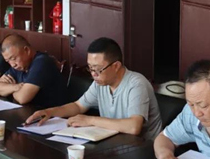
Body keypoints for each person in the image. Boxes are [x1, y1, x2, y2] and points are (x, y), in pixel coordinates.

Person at [25, 37, 162, 141]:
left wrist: (90, 120)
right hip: (115, 143)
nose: (93, 74)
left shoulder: (136, 84)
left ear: (116, 66)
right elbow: (78, 106)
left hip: (144, 148)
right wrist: (49, 112)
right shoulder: (100, 82)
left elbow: (133, 127)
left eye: (97, 69)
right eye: (90, 68)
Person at [0, 34, 68, 107]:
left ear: (27, 50)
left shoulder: (41, 62)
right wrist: (15, 87)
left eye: (13, 58)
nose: (12, 64)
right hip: (29, 111)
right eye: (8, 61)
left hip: (50, 112)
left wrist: (9, 91)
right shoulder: (19, 66)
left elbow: (23, 98)